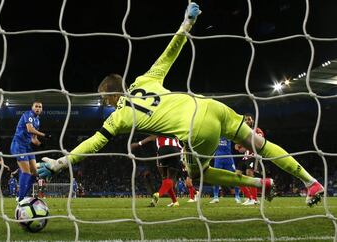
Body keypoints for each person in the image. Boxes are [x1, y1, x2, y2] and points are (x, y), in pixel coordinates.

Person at [38, 2, 324, 207]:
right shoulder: (145, 79)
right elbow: (170, 52)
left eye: (105, 99)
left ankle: (260, 185)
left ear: (111, 97)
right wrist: (188, 22)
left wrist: (61, 162)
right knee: (258, 144)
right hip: (209, 105)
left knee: (200, 173)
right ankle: (311, 182)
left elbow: (93, 144)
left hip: (196, 127)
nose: (106, 103)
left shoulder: (119, 117)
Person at [10, 101, 50, 202]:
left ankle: (24, 195)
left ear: (42, 109)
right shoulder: (27, 114)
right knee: (26, 172)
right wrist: (44, 135)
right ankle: (20, 198)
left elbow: (33, 139)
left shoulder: (37, 121)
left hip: (27, 146)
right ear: (32, 107)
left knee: (35, 173)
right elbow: (29, 129)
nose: (38, 108)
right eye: (36, 106)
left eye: (40, 107)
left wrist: (41, 144)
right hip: (19, 144)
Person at [132, 135, 182, 207]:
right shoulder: (174, 129)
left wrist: (138, 143)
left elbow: (151, 138)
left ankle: (158, 194)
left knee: (164, 178)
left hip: (163, 150)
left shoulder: (160, 128)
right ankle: (175, 201)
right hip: (175, 151)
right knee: (171, 178)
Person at [235, 114, 265, 205]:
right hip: (245, 156)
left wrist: (244, 145)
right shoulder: (243, 132)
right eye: (246, 120)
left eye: (249, 119)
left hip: (253, 155)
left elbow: (259, 143)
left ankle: (255, 199)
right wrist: (239, 146)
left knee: (249, 173)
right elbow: (238, 147)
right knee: (237, 176)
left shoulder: (257, 130)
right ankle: (249, 197)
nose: (247, 121)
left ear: (253, 121)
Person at [209, 137, 241, 204]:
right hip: (218, 158)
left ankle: (237, 196)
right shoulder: (216, 134)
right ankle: (215, 197)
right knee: (216, 177)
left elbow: (236, 139)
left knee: (235, 176)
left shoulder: (228, 134)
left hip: (228, 158)